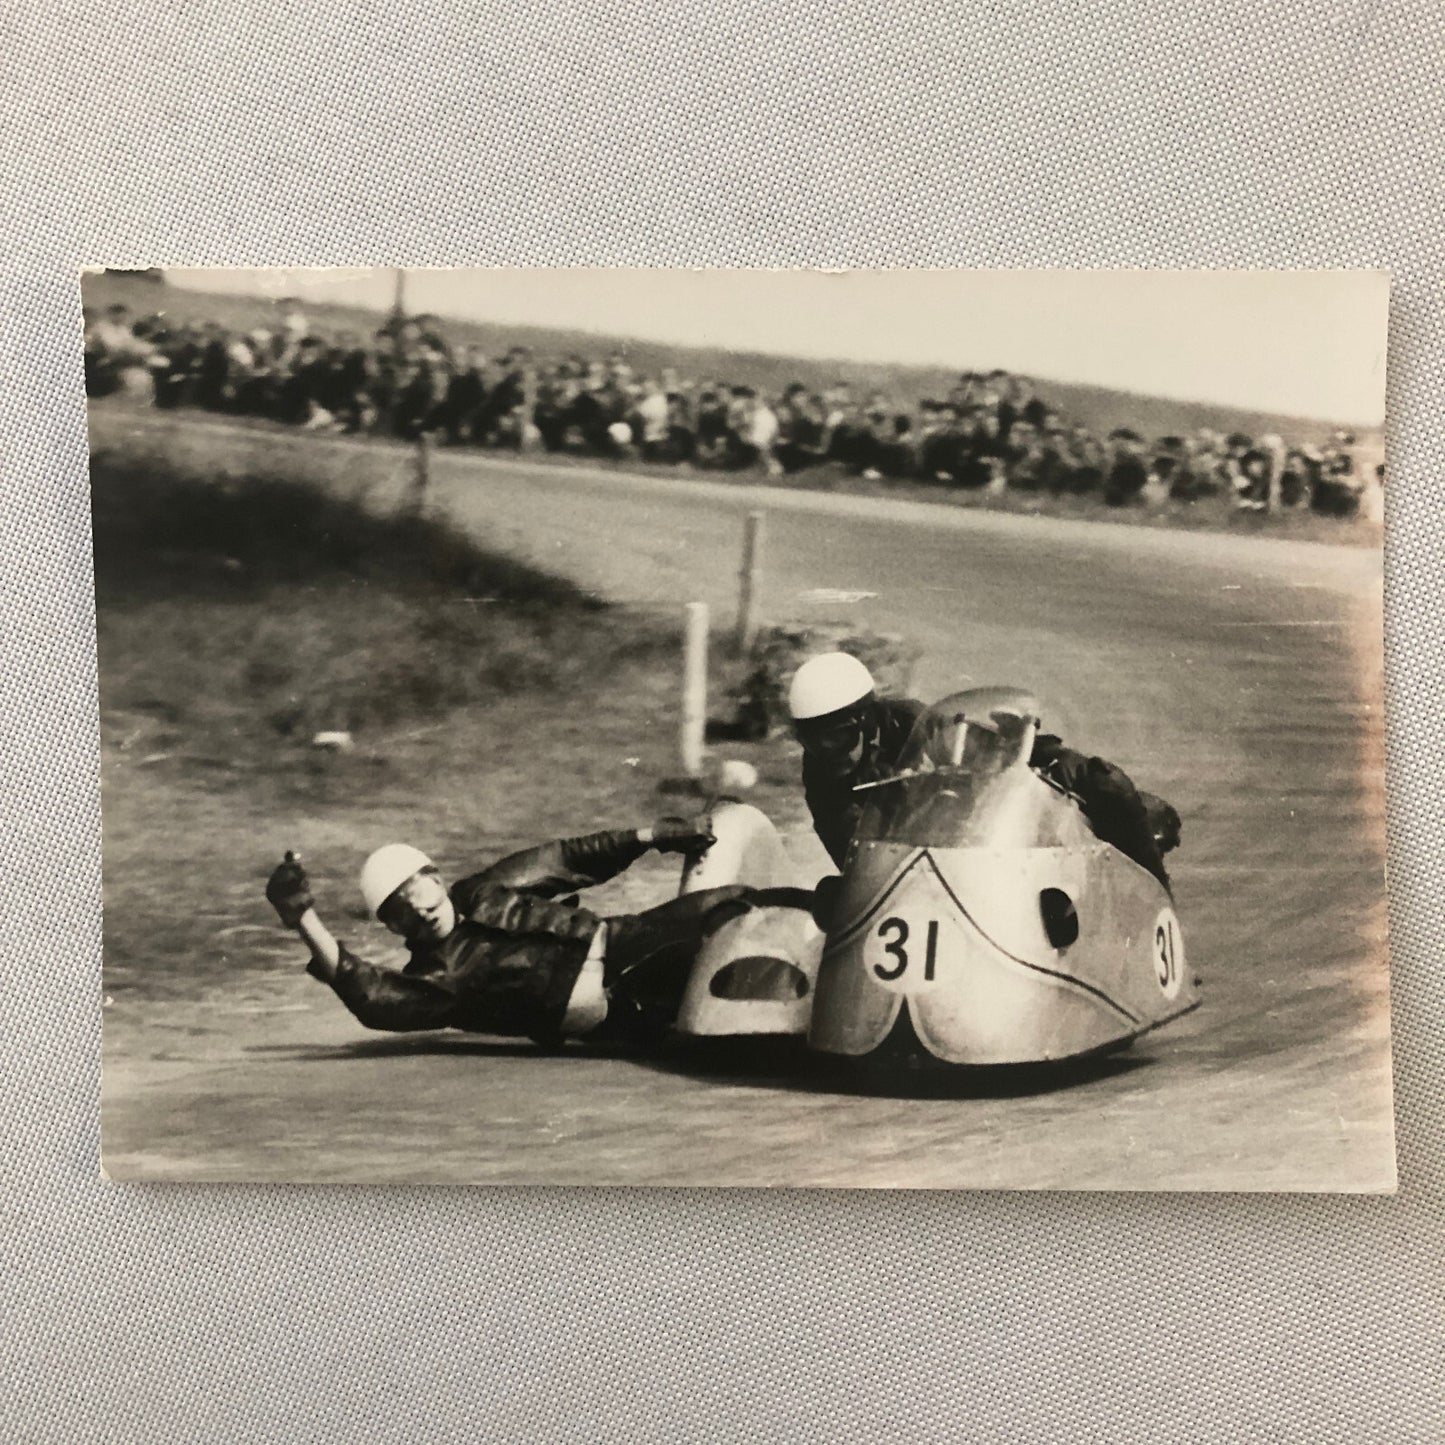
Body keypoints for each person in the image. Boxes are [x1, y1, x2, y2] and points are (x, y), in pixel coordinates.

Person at [264, 816, 774, 1049]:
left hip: (626, 938)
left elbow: (565, 859)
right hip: (618, 1008)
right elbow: (371, 995)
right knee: (733, 1019)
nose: (415, 910)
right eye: (398, 911)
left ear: (435, 878)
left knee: (730, 904)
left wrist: (648, 837)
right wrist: (304, 920)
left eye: (415, 890)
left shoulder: (483, 890)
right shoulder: (436, 978)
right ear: (393, 926)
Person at [787, 652, 1179, 887]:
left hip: (977, 838)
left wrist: (1038, 750)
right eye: (812, 742)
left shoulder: (908, 723)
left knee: (1105, 781)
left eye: (836, 738)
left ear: (866, 721)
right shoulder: (821, 780)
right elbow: (858, 865)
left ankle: (1158, 895)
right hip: (921, 868)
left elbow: (982, 749)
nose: (826, 753)